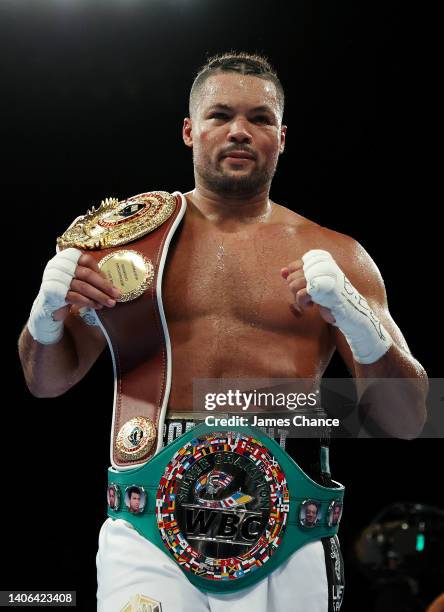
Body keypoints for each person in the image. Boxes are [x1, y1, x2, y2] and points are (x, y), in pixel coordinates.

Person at [18, 52, 428, 612]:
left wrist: (361, 324)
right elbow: (46, 383)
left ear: (282, 137)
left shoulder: (338, 255)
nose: (239, 130)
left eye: (260, 118)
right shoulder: (126, 248)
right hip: (147, 527)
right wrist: (43, 319)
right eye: (220, 115)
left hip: (292, 526)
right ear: (190, 131)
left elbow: (409, 421)